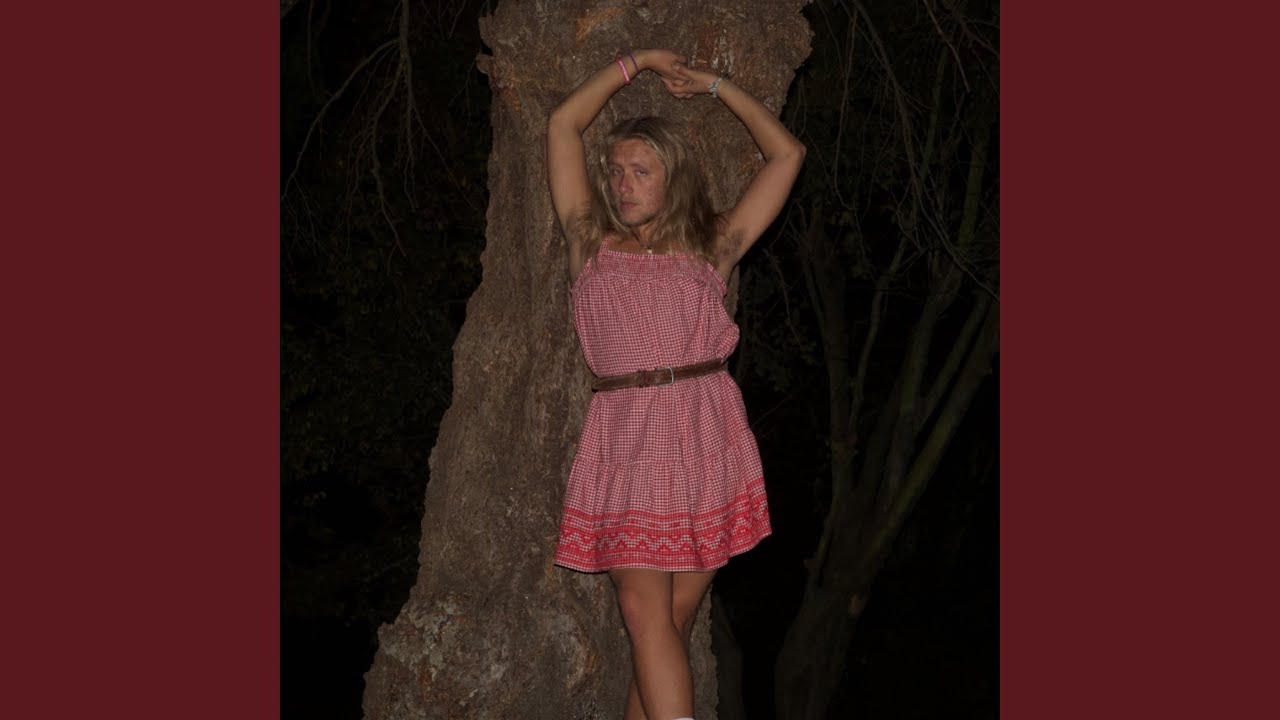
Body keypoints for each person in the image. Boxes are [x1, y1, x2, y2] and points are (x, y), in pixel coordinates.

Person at [546, 48, 805, 720]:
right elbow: (563, 124)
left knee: (671, 622)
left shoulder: (710, 245)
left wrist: (716, 84)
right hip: (626, 433)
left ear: (674, 178)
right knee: (641, 609)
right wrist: (635, 62)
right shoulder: (588, 241)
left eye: (642, 171)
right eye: (616, 171)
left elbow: (787, 155)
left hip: (703, 426)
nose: (623, 184)